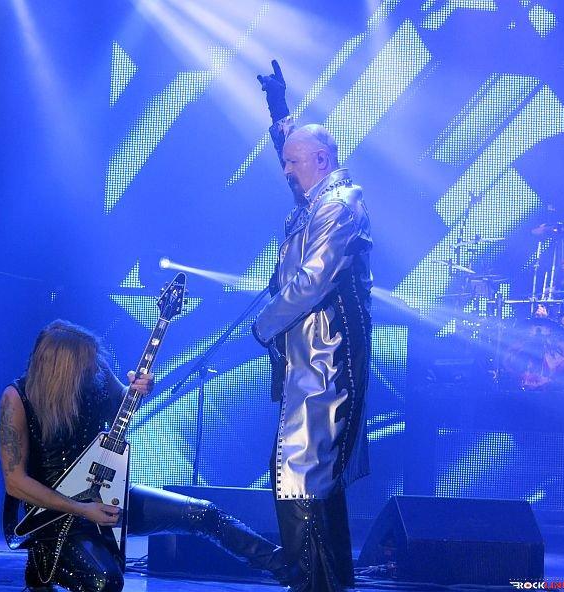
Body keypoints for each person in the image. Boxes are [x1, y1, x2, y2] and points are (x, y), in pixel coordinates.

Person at [0, 319, 294, 592]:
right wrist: (82, 509)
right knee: (105, 582)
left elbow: (123, 407)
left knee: (203, 513)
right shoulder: (16, 398)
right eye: (85, 365)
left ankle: (290, 570)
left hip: (107, 495)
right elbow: (15, 482)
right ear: (63, 367)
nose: (93, 368)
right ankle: (43, 559)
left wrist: (139, 389)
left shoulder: (95, 370)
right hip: (54, 515)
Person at [252, 60, 373, 592]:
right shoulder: (316, 200)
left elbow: (312, 281)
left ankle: (313, 584)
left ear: (322, 160)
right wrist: (279, 109)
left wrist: (263, 326)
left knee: (302, 472)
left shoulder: (341, 204)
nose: (285, 170)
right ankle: (324, 583)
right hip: (308, 358)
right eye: (284, 161)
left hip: (329, 359)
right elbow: (294, 147)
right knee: (306, 473)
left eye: (293, 162)